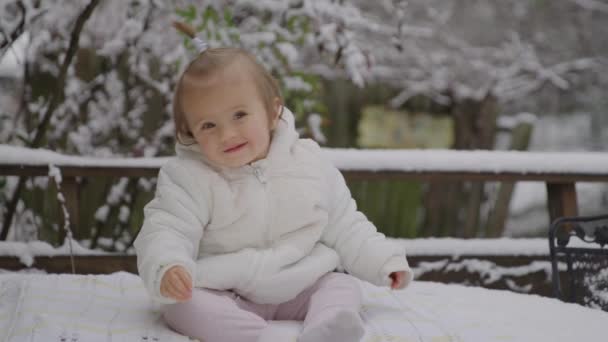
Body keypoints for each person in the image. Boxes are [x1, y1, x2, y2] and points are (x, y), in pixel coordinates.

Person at [134, 21, 413, 342]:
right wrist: (168, 267)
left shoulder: (309, 163)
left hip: (300, 283)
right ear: (190, 134)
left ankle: (329, 327)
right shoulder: (189, 177)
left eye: (240, 115)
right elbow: (166, 229)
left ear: (272, 111)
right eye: (209, 125)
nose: (227, 134)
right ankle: (251, 335)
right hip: (225, 288)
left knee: (341, 285)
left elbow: (346, 225)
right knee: (181, 305)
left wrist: (384, 261)